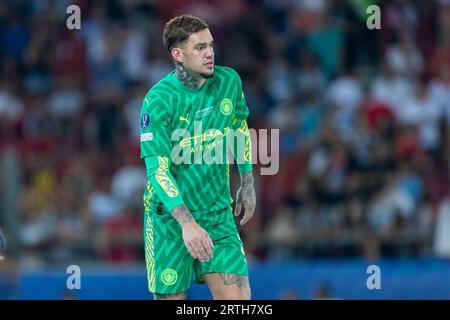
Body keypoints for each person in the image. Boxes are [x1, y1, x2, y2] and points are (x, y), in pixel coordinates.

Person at [139, 15, 256, 300]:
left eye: (211, 46)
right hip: (169, 219)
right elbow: (158, 171)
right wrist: (187, 224)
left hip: (217, 215)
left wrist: (247, 180)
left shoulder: (229, 81)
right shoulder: (158, 101)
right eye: (200, 48)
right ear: (178, 54)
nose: (210, 53)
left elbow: (238, 128)